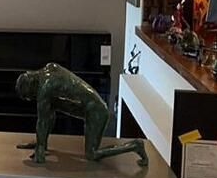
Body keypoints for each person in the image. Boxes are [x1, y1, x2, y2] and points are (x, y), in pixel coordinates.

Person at [14, 63, 147, 165]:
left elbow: (42, 120)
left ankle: (134, 145)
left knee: (91, 154)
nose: (34, 98)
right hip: (90, 107)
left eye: (31, 96)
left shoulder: (45, 88)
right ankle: (42, 144)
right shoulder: (49, 68)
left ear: (32, 86)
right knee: (52, 104)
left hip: (97, 111)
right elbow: (48, 114)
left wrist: (40, 149)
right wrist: (41, 144)